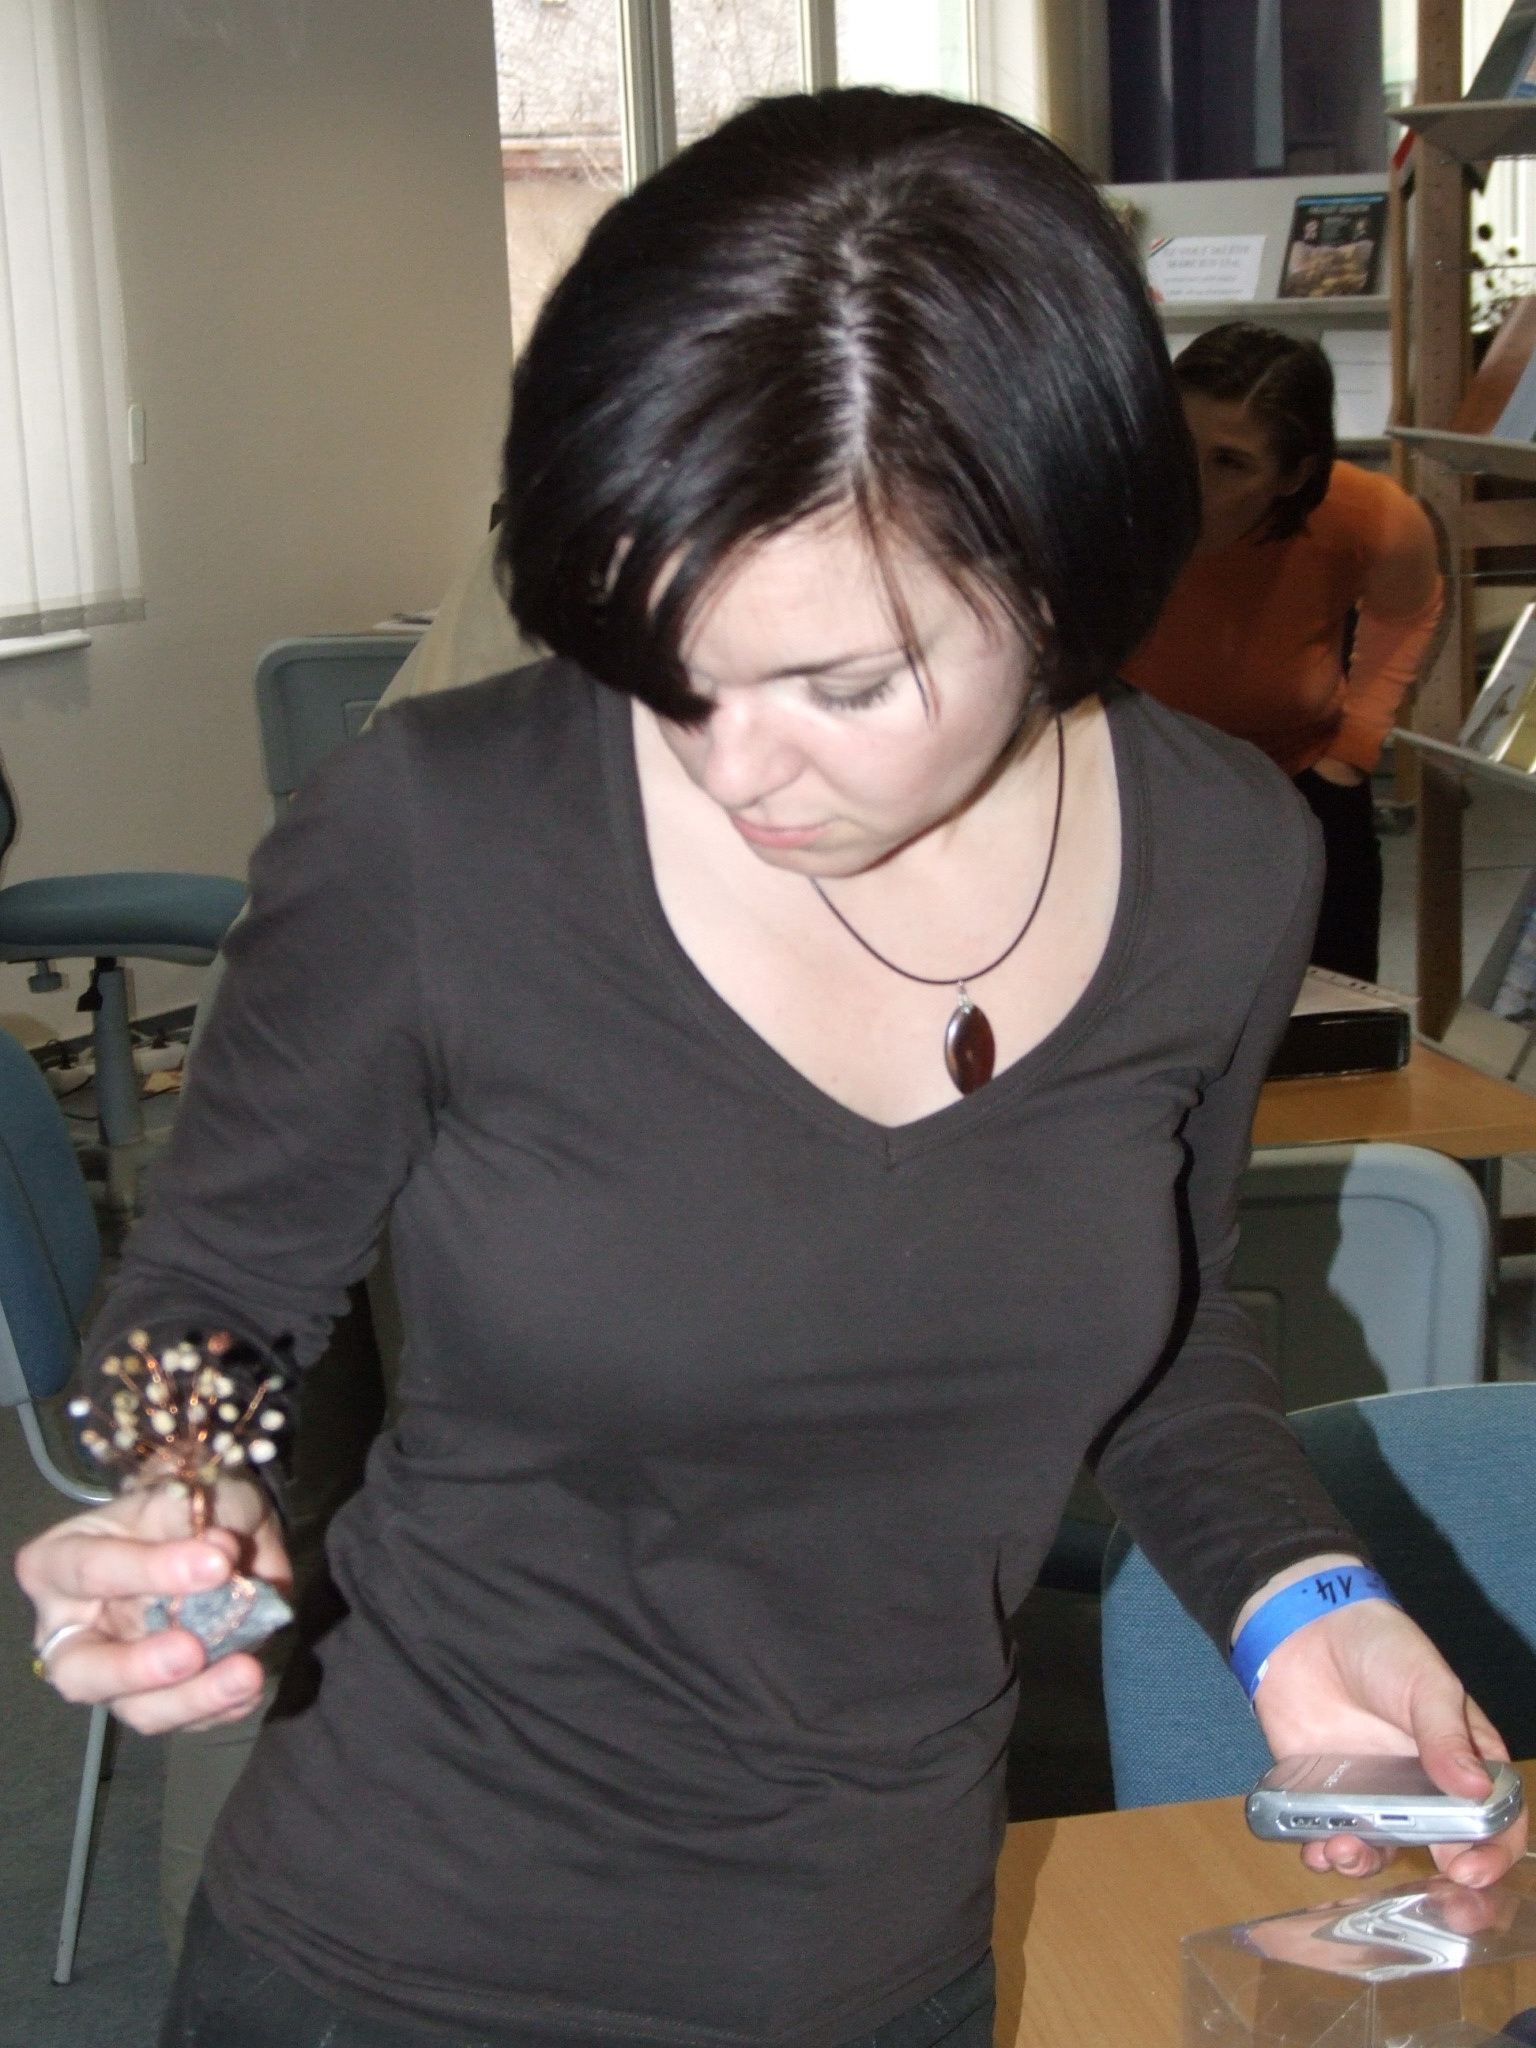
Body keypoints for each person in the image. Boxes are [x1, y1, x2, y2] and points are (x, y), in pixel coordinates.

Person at [16, 93, 1521, 2048]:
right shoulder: (440, 835)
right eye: (670, 659)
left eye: (846, 685)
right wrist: (182, 1478)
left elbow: (1159, 1318)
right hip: (402, 1960)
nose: (733, 767)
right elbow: (211, 1293)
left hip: (886, 1959)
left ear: (1068, 571)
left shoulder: (1220, 864)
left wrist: (1308, 1603)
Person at [1123, 322, 1444, 984]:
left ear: (1295, 475)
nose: (1187, 483)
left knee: (1326, 1006)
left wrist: (1355, 746)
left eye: (1230, 463)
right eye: (1176, 446)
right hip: (1132, 787)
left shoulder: (1366, 513)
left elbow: (1409, 611)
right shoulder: (1106, 503)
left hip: (1298, 779)